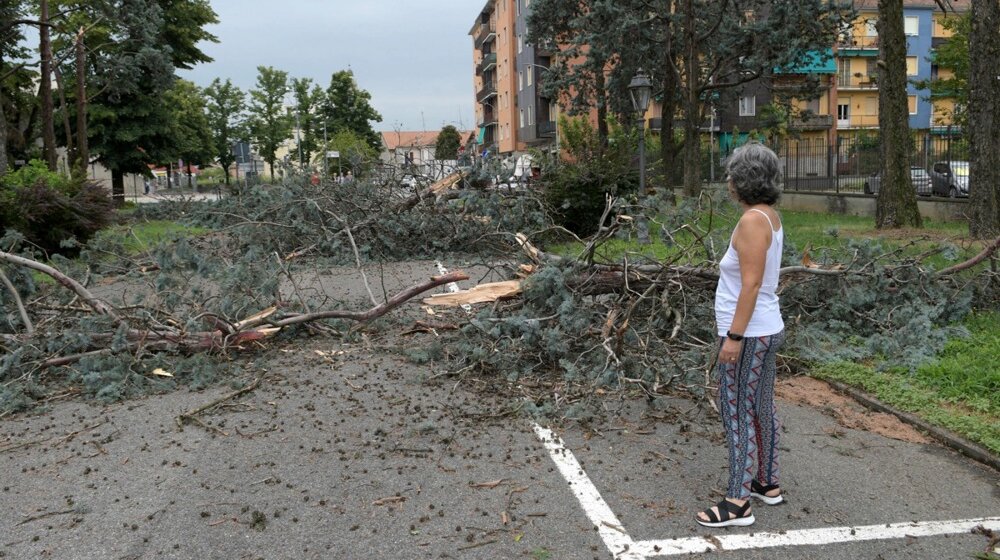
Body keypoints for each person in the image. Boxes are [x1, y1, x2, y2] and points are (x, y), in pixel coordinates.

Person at [696, 142, 786, 529]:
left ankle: (737, 501)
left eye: (732, 174)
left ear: (743, 180)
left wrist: (733, 337)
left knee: (736, 412)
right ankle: (766, 483)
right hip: (766, 329)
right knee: (761, 407)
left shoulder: (752, 221)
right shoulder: (768, 216)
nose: (728, 181)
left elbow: (750, 285)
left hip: (748, 334)